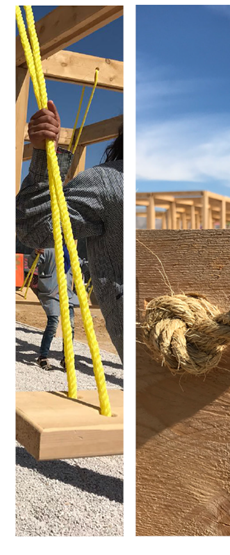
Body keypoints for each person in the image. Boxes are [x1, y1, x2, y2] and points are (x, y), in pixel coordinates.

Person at [17, 100, 124, 360]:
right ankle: (44, 354)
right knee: (55, 319)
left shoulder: (69, 253)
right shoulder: (108, 183)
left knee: (69, 323)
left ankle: (67, 358)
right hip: (53, 289)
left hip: (66, 289)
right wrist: (44, 154)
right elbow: (35, 230)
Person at [29, 247, 79, 370]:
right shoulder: (48, 249)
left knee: (70, 326)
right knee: (53, 323)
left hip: (67, 294)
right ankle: (43, 356)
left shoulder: (72, 251)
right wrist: (35, 253)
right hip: (51, 292)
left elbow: (80, 265)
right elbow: (32, 263)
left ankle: (66, 358)